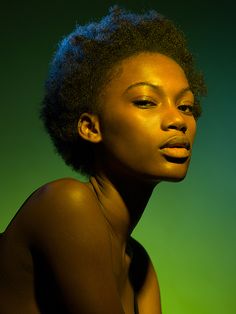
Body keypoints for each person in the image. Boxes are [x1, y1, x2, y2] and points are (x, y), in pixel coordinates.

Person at [0, 6, 206, 314]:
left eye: (186, 106)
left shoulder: (141, 267)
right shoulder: (66, 204)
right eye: (146, 102)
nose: (177, 120)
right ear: (91, 127)